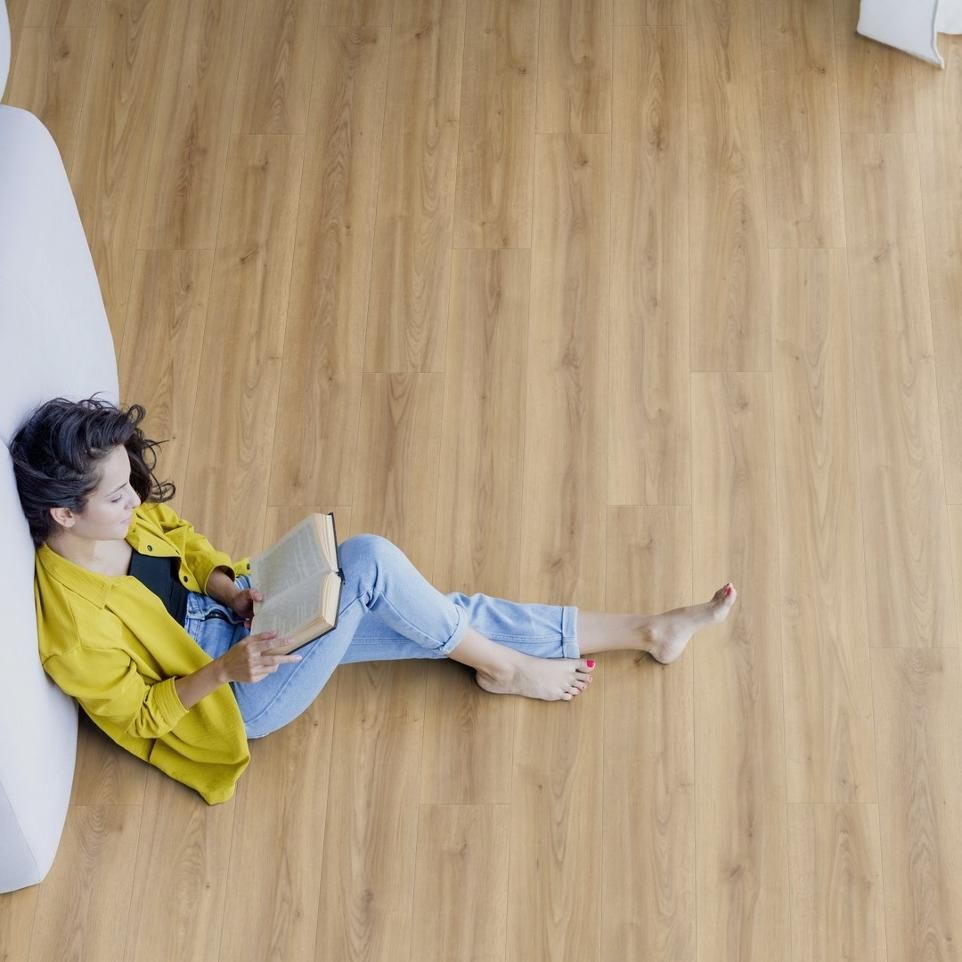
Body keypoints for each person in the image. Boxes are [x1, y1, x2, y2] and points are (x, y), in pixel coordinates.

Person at [12, 395, 737, 804]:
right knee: (374, 566)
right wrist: (227, 671)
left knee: (430, 612)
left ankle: (647, 631)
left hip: (241, 624)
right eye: (116, 494)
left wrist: (230, 587)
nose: (136, 498)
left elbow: (188, 542)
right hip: (233, 696)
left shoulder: (125, 515)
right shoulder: (71, 627)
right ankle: (511, 669)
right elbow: (143, 715)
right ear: (65, 516)